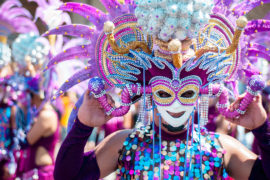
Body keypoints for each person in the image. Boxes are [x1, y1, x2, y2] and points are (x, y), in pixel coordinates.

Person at [46, 0, 270, 179]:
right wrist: (82, 126)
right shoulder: (125, 144)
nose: (175, 104)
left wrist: (262, 129)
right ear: (148, 93)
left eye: (187, 93)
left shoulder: (221, 148)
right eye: (164, 93)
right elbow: (67, 176)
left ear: (201, 93)